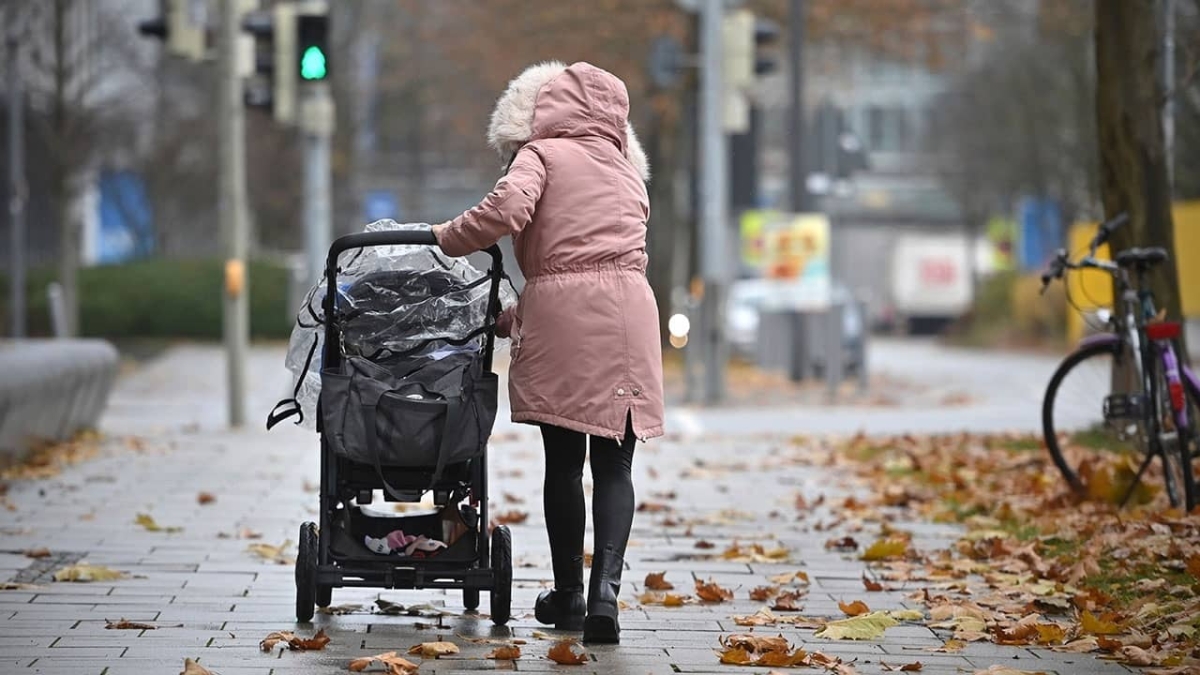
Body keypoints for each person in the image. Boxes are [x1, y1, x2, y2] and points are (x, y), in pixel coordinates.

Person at [432, 61, 663, 644]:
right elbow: (605, 261)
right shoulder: (626, 168)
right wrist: (519, 318)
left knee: (564, 463)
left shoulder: (541, 154)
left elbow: (508, 214)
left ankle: (569, 598)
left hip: (565, 316)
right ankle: (606, 593)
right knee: (615, 464)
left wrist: (441, 237)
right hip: (632, 313)